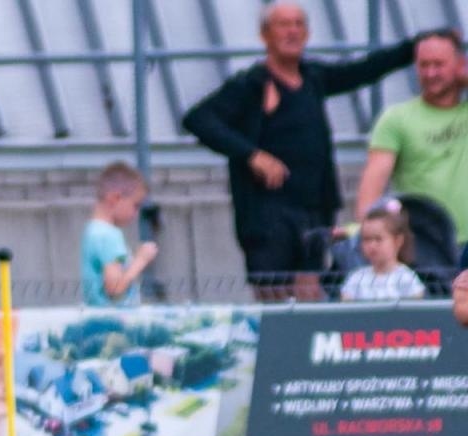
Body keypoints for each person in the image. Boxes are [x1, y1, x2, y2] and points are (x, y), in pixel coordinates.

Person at [182, 2, 418, 301]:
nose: (292, 31)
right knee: (273, 293)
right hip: (267, 215)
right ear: (265, 34)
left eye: (299, 24)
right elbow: (198, 119)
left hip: (314, 208)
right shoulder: (251, 84)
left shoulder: (313, 76)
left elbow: (362, 71)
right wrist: (252, 154)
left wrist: (415, 47)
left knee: (311, 292)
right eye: (284, 24)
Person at [354, 31, 468, 264]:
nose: (430, 73)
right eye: (423, 65)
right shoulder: (397, 118)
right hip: (424, 245)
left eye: (439, 64)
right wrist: (364, 232)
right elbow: (372, 184)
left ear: (459, 65)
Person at [81, 162, 158, 307]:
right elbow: (115, 288)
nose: (136, 214)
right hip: (114, 322)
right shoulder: (109, 236)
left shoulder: (92, 230)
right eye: (135, 205)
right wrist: (141, 260)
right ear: (115, 198)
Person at [340, 202, 426, 301]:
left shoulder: (407, 278)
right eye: (367, 239)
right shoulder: (356, 279)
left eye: (378, 239)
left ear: (398, 241)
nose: (372, 245)